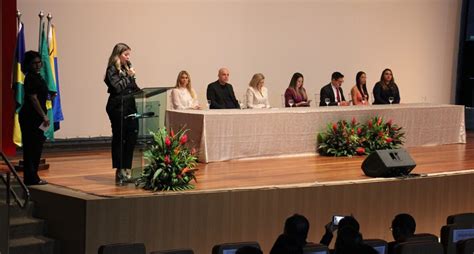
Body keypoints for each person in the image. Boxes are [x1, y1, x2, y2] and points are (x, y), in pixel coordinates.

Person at [104, 43, 141, 184]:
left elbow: (134, 88)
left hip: (130, 107)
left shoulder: (126, 69)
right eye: (126, 55)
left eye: (129, 55)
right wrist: (129, 77)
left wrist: (144, 93)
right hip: (118, 108)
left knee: (131, 138)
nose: (128, 58)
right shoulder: (111, 69)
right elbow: (117, 87)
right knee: (120, 139)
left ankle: (127, 170)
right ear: (118, 55)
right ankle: (119, 172)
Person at [19, 51, 56, 185]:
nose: (38, 65)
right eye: (34, 63)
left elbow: (40, 95)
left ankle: (33, 176)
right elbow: (33, 99)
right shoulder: (30, 78)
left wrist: (50, 96)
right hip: (31, 117)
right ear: (28, 65)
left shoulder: (38, 77)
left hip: (37, 118)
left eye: (39, 62)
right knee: (31, 148)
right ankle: (31, 178)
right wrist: (44, 115)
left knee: (36, 147)